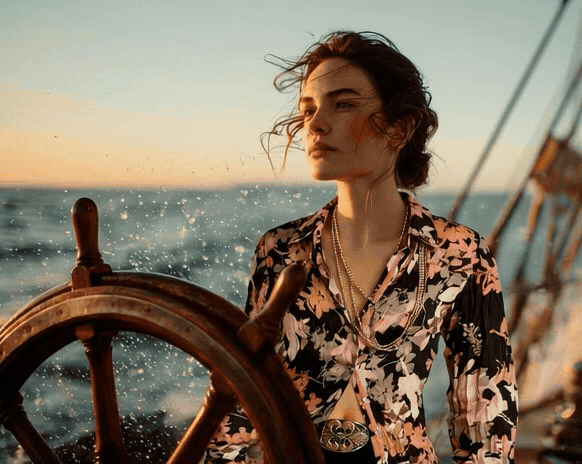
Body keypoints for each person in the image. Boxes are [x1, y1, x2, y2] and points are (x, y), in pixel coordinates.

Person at [207, 31, 517, 464]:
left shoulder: (460, 254)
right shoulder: (280, 251)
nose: (315, 124)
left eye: (343, 103)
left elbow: (486, 419)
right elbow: (243, 397)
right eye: (308, 109)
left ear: (399, 126)